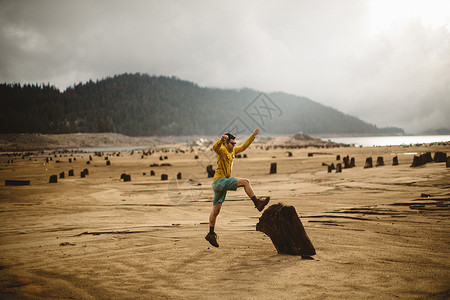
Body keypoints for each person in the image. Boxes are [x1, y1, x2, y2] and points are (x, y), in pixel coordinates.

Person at [205, 128, 270, 247]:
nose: (234, 145)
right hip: (221, 181)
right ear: (226, 142)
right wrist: (220, 140)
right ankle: (257, 203)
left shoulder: (233, 151)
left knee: (216, 210)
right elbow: (215, 148)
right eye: (232, 143)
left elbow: (244, 146)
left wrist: (253, 136)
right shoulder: (223, 150)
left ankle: (211, 233)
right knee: (246, 182)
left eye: (235, 143)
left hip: (218, 185)